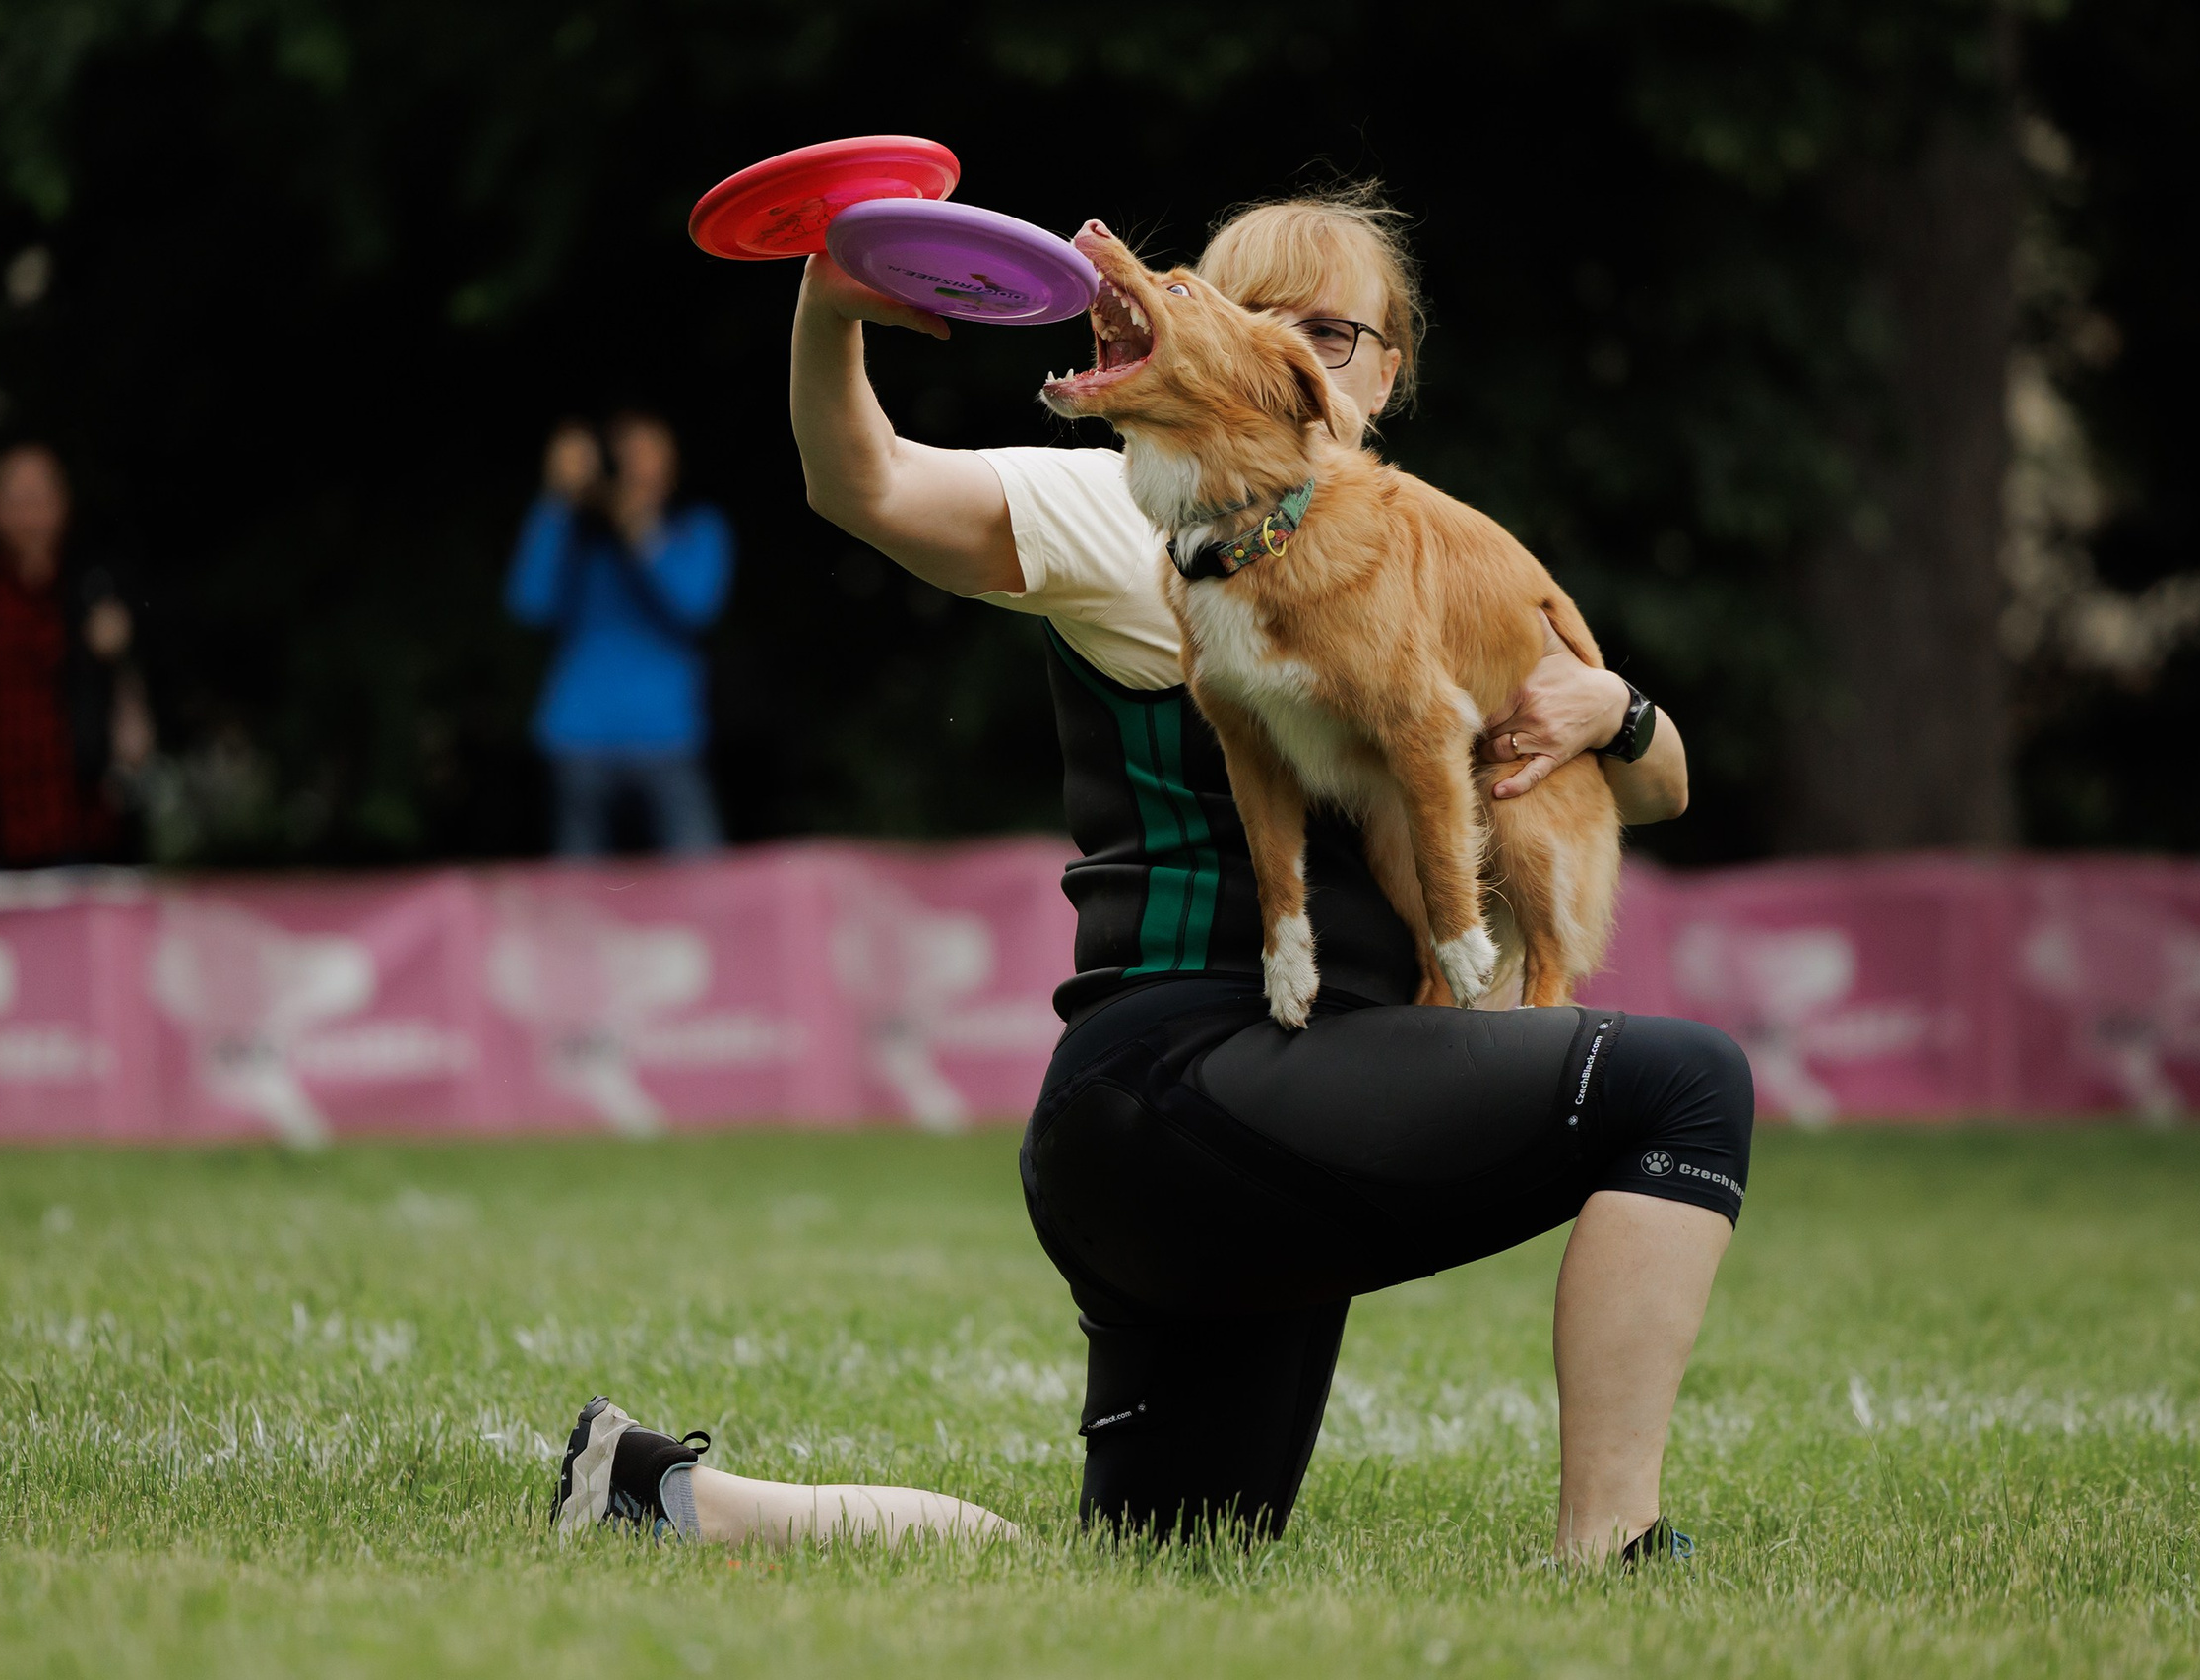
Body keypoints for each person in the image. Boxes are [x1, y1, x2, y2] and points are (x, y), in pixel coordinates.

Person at [555, 187, 1749, 1566]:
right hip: (1184, 1085)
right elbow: (862, 481)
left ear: (1384, 371)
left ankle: (659, 1491)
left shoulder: (1419, 546)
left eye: (1337, 328)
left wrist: (1616, 714)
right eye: (1254, 309)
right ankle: (1614, 1544)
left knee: (1159, 1558)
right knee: (1685, 1083)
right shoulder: (1127, 506)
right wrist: (833, 308)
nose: (1295, 343)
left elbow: (1650, 791)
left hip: (1262, 1120)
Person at [0, 444, 153, 868]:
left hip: (78, 829)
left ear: (64, 506)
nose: (28, 514)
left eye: (40, 498)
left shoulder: (97, 590)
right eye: (16, 499)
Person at [505, 410, 731, 856]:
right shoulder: (579, 539)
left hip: (667, 737)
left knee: (704, 883)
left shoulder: (699, 529)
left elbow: (696, 607)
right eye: (624, 457)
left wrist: (642, 533)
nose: (636, 468)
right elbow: (529, 605)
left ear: (674, 464)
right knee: (579, 899)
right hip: (579, 737)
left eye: (648, 454)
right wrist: (557, 501)